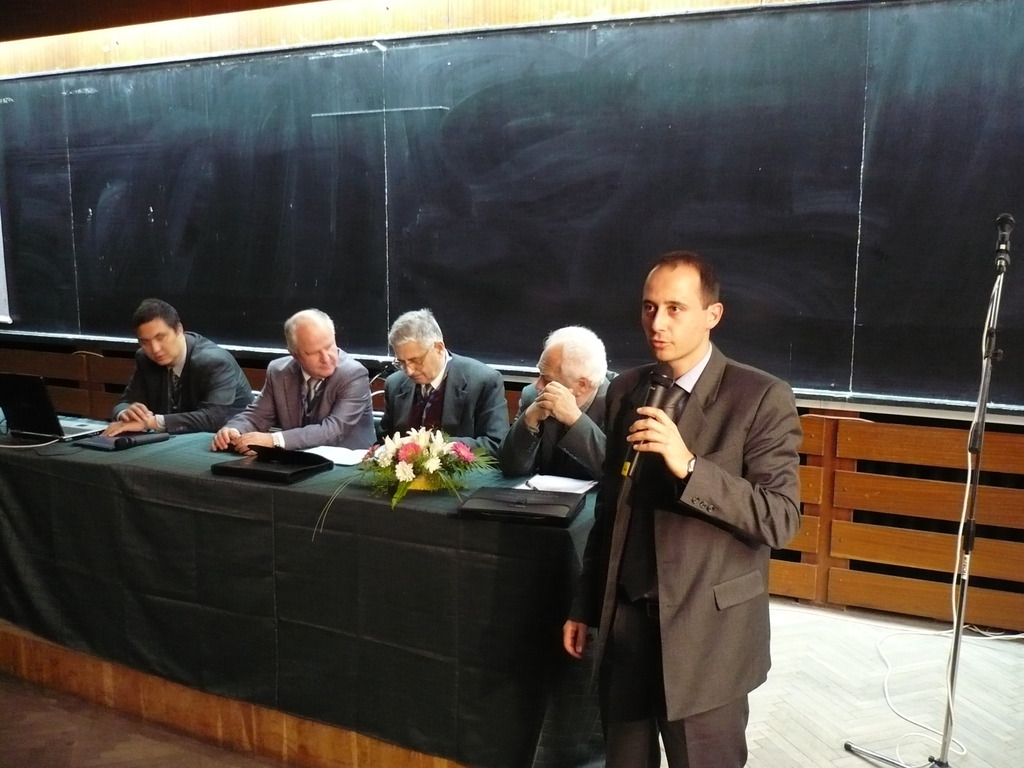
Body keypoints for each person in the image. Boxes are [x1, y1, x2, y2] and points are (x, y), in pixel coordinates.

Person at [562, 251, 802, 768]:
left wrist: (690, 467)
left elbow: (781, 518)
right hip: (626, 628)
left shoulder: (760, 397)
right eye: (649, 307)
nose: (658, 323)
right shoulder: (626, 389)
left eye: (675, 308)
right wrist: (585, 605)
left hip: (706, 638)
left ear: (712, 315)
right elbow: (610, 509)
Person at [211, 308, 375, 453]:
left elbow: (333, 430)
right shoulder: (278, 372)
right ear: (295, 355)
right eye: (313, 353)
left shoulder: (354, 374)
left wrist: (273, 440)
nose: (326, 358)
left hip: (349, 468)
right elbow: (257, 415)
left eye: (329, 346)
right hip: (296, 462)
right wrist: (234, 430)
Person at [106, 298, 253, 436]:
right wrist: (126, 413)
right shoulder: (144, 359)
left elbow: (212, 418)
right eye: (145, 342)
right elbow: (124, 402)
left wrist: (151, 422)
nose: (155, 349)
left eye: (160, 338)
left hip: (225, 439)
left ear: (179, 329)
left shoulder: (214, 362)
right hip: (173, 439)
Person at [378, 308, 508, 453]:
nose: (409, 371)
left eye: (415, 361)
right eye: (401, 362)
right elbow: (384, 442)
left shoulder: (483, 381)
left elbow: (495, 444)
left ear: (439, 348)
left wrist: (431, 444)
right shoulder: (395, 384)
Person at [497, 325, 611, 481]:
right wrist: (528, 421)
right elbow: (509, 467)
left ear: (582, 385)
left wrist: (576, 420)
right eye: (540, 374)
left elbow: (615, 472)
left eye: (547, 379)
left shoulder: (621, 401)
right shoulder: (533, 396)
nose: (538, 386)